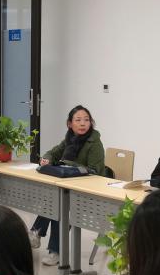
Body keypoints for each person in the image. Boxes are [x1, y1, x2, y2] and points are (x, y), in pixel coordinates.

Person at [29, 105, 105, 266]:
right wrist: (47, 159)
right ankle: (43, 239)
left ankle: (49, 245)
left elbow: (95, 171)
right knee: (56, 199)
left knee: (61, 203)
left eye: (86, 120)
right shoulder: (69, 139)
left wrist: (68, 165)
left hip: (89, 192)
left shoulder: (95, 143)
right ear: (70, 124)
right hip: (70, 188)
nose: (83, 123)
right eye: (78, 120)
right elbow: (52, 152)